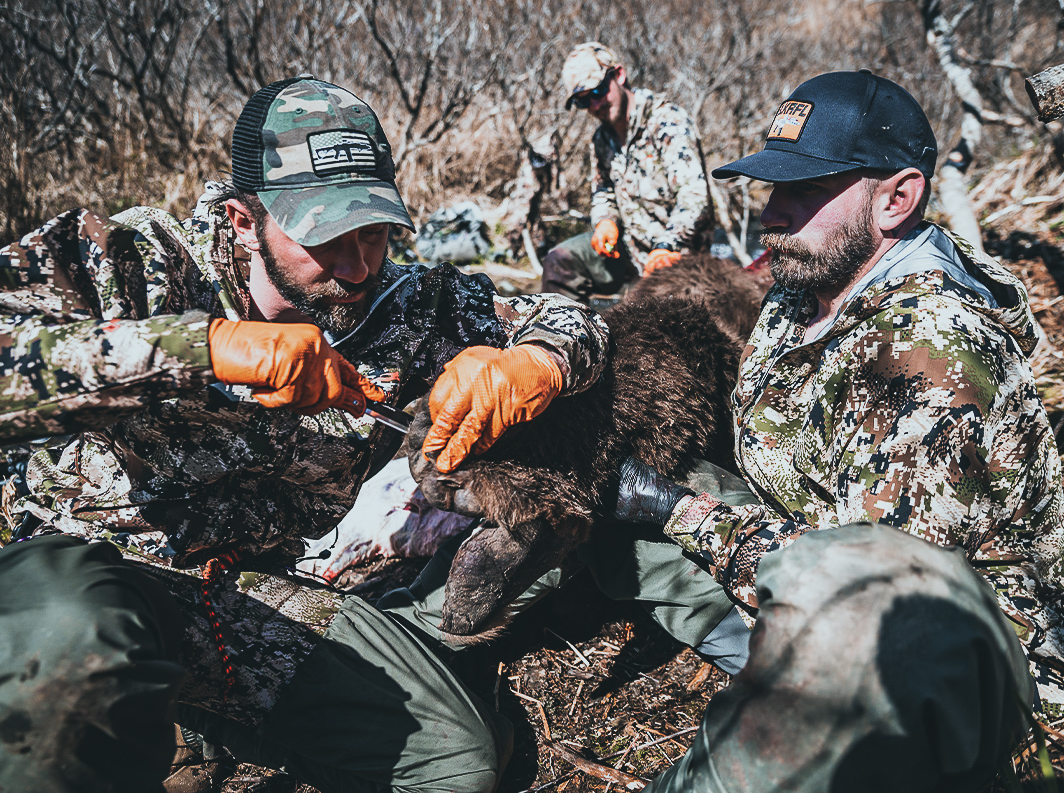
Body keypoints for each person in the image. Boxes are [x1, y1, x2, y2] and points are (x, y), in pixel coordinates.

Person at [0, 76, 614, 793]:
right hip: (76, 571)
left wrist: (534, 364)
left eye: (376, 232)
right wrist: (202, 350)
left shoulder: (403, 306)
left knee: (458, 759)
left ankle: (201, 722)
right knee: (75, 646)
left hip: (234, 591)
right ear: (240, 218)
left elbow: (573, 316)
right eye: (324, 237)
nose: (356, 266)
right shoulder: (129, 261)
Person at [609, 70, 1064, 791]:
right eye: (772, 185)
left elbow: (875, 603)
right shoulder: (806, 286)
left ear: (897, 198)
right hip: (824, 550)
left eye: (806, 191)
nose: (773, 210)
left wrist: (683, 515)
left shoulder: (924, 358)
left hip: (976, 656)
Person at [540, 41, 713, 302]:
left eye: (598, 91)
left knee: (647, 325)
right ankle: (563, 336)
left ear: (618, 75)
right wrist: (605, 221)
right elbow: (602, 192)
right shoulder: (600, 139)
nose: (595, 105)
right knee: (559, 262)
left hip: (679, 256)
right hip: (628, 250)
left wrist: (668, 246)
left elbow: (694, 197)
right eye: (583, 101)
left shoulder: (668, 122)